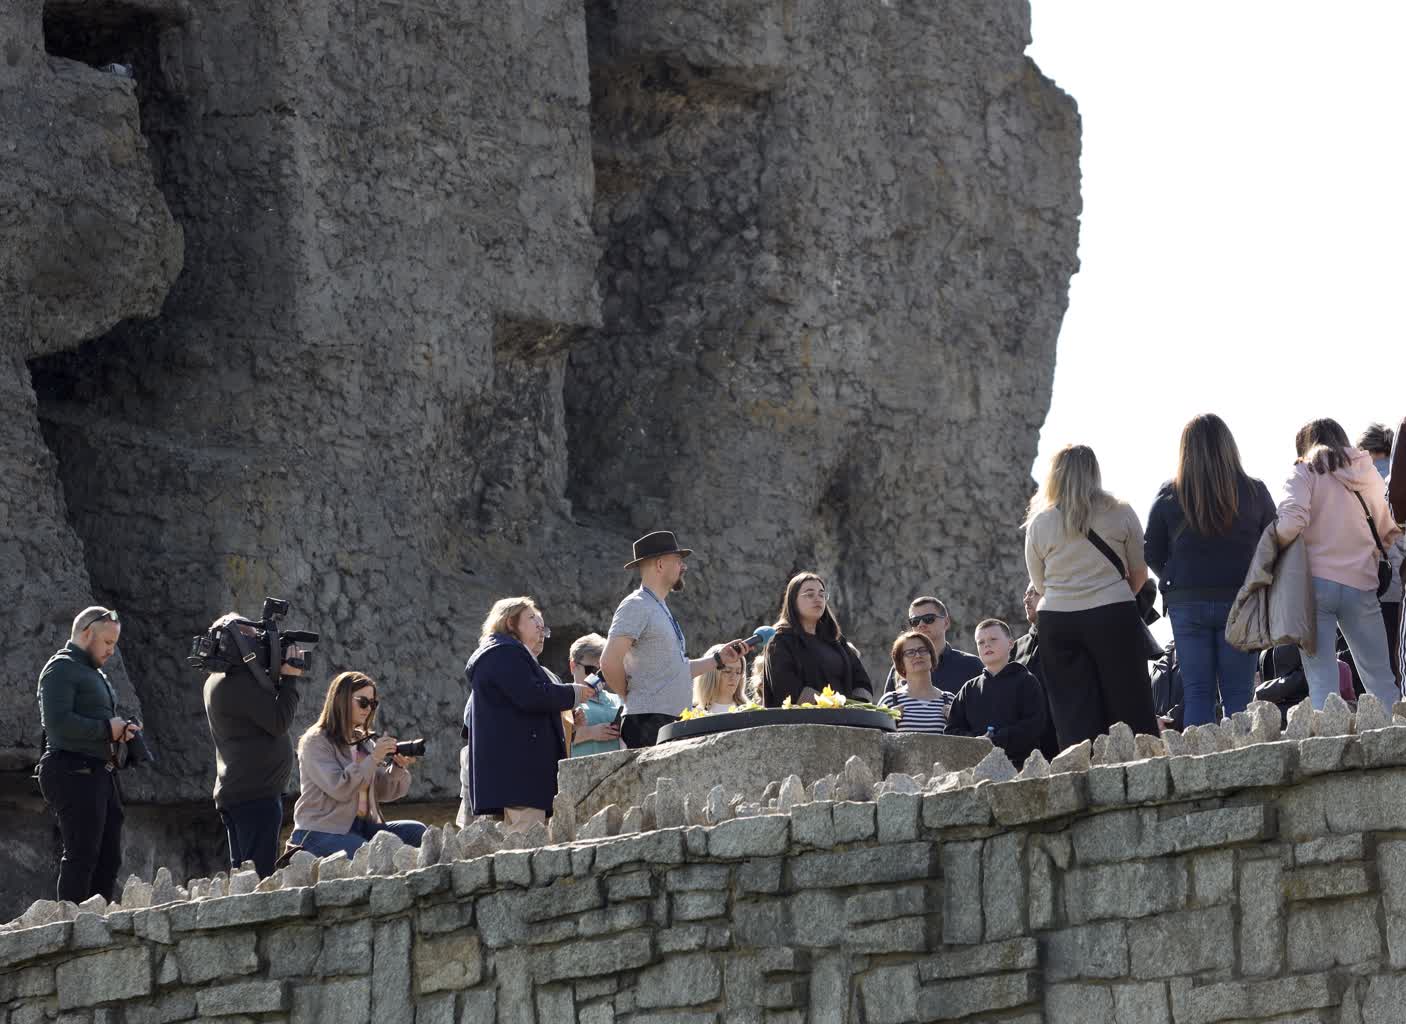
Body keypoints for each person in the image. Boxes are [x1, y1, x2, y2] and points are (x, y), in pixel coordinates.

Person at [1144, 414, 1277, 726]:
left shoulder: (1169, 493)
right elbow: (1273, 545)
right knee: (1239, 694)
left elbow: (1151, 551)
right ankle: (1242, 754)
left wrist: (1174, 580)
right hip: (1240, 602)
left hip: (1187, 603)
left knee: (1197, 693)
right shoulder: (1254, 491)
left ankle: (1198, 755)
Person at [1024, 444, 1160, 748]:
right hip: (1114, 615)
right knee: (1129, 702)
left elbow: (1040, 583)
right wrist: (1113, 595)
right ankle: (1139, 763)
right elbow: (1140, 572)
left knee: (1073, 710)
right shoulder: (1120, 512)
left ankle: (1083, 768)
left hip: (1058, 620)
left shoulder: (1040, 523)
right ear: (1094, 472)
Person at [1275, 418, 1401, 709]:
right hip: (1362, 583)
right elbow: (1389, 526)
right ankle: (1395, 733)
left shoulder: (1304, 471)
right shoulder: (1366, 470)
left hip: (1314, 588)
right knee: (1381, 679)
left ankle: (1329, 735)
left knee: (1323, 683)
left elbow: (1290, 523)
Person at [600, 531, 749, 747]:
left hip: (667, 719)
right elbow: (609, 662)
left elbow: (676, 671)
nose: (684, 567)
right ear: (660, 565)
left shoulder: (658, 607)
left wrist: (718, 659)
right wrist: (631, 697)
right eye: (678, 561)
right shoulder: (636, 605)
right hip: (647, 720)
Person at [36, 606, 138, 904]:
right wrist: (107, 728)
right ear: (86, 633)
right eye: (107, 642)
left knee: (109, 858)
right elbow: (57, 723)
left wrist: (121, 731)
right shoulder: (61, 668)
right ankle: (71, 923)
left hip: (99, 772)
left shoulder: (92, 672)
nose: (111, 651)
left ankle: (97, 920)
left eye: (114, 644)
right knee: (82, 854)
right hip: (72, 769)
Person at [466, 597, 595, 830]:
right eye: (531, 617)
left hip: (515, 774)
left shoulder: (504, 654)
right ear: (510, 622)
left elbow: (523, 705)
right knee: (527, 840)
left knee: (520, 840)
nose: (539, 625)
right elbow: (532, 695)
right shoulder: (503, 653)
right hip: (520, 775)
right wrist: (573, 693)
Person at [202, 612, 306, 877]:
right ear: (239, 645)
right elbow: (279, 721)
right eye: (254, 640)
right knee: (258, 876)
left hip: (242, 792)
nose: (260, 645)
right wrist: (290, 679)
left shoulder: (217, 680)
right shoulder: (237, 683)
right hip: (255, 796)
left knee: (244, 875)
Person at [290, 671, 425, 857]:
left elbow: (383, 792)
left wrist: (397, 768)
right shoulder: (315, 741)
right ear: (341, 700)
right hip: (320, 831)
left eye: (373, 704)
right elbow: (340, 789)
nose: (368, 708)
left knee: (418, 832)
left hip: (364, 827)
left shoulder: (364, 741)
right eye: (363, 702)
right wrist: (374, 758)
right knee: (369, 854)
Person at [946, 620, 1050, 769]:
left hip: (1021, 768)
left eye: (993, 639)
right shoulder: (969, 689)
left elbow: (1034, 725)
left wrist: (997, 740)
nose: (986, 645)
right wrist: (976, 741)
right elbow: (951, 731)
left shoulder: (1026, 681)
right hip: (977, 769)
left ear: (1010, 644)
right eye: (981, 642)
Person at [762, 572, 873, 706]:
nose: (818, 599)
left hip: (845, 716)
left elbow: (861, 680)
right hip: (805, 717)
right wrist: (828, 704)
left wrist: (857, 706)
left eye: (822, 594)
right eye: (810, 594)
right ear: (793, 600)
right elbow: (786, 689)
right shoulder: (780, 640)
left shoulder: (836, 640)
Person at [1360, 423, 1404, 685]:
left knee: (1385, 663)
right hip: (1402, 584)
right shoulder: (1399, 475)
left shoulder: (1366, 479)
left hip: (1381, 586)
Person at [880, 597, 983, 696]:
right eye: (915, 621)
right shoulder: (902, 666)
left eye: (928, 619)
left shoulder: (971, 665)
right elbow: (886, 706)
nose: (921, 624)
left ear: (946, 623)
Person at [877, 631, 953, 733]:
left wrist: (954, 721)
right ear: (901, 663)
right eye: (910, 652)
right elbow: (874, 739)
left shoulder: (949, 700)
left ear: (931, 656)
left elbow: (964, 738)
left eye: (923, 650)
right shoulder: (889, 701)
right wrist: (888, 721)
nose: (917, 655)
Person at [567, 633, 623, 757]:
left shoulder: (619, 700)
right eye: (591, 670)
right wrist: (590, 733)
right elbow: (552, 738)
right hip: (581, 768)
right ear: (573, 666)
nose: (597, 677)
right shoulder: (563, 699)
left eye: (602, 671)